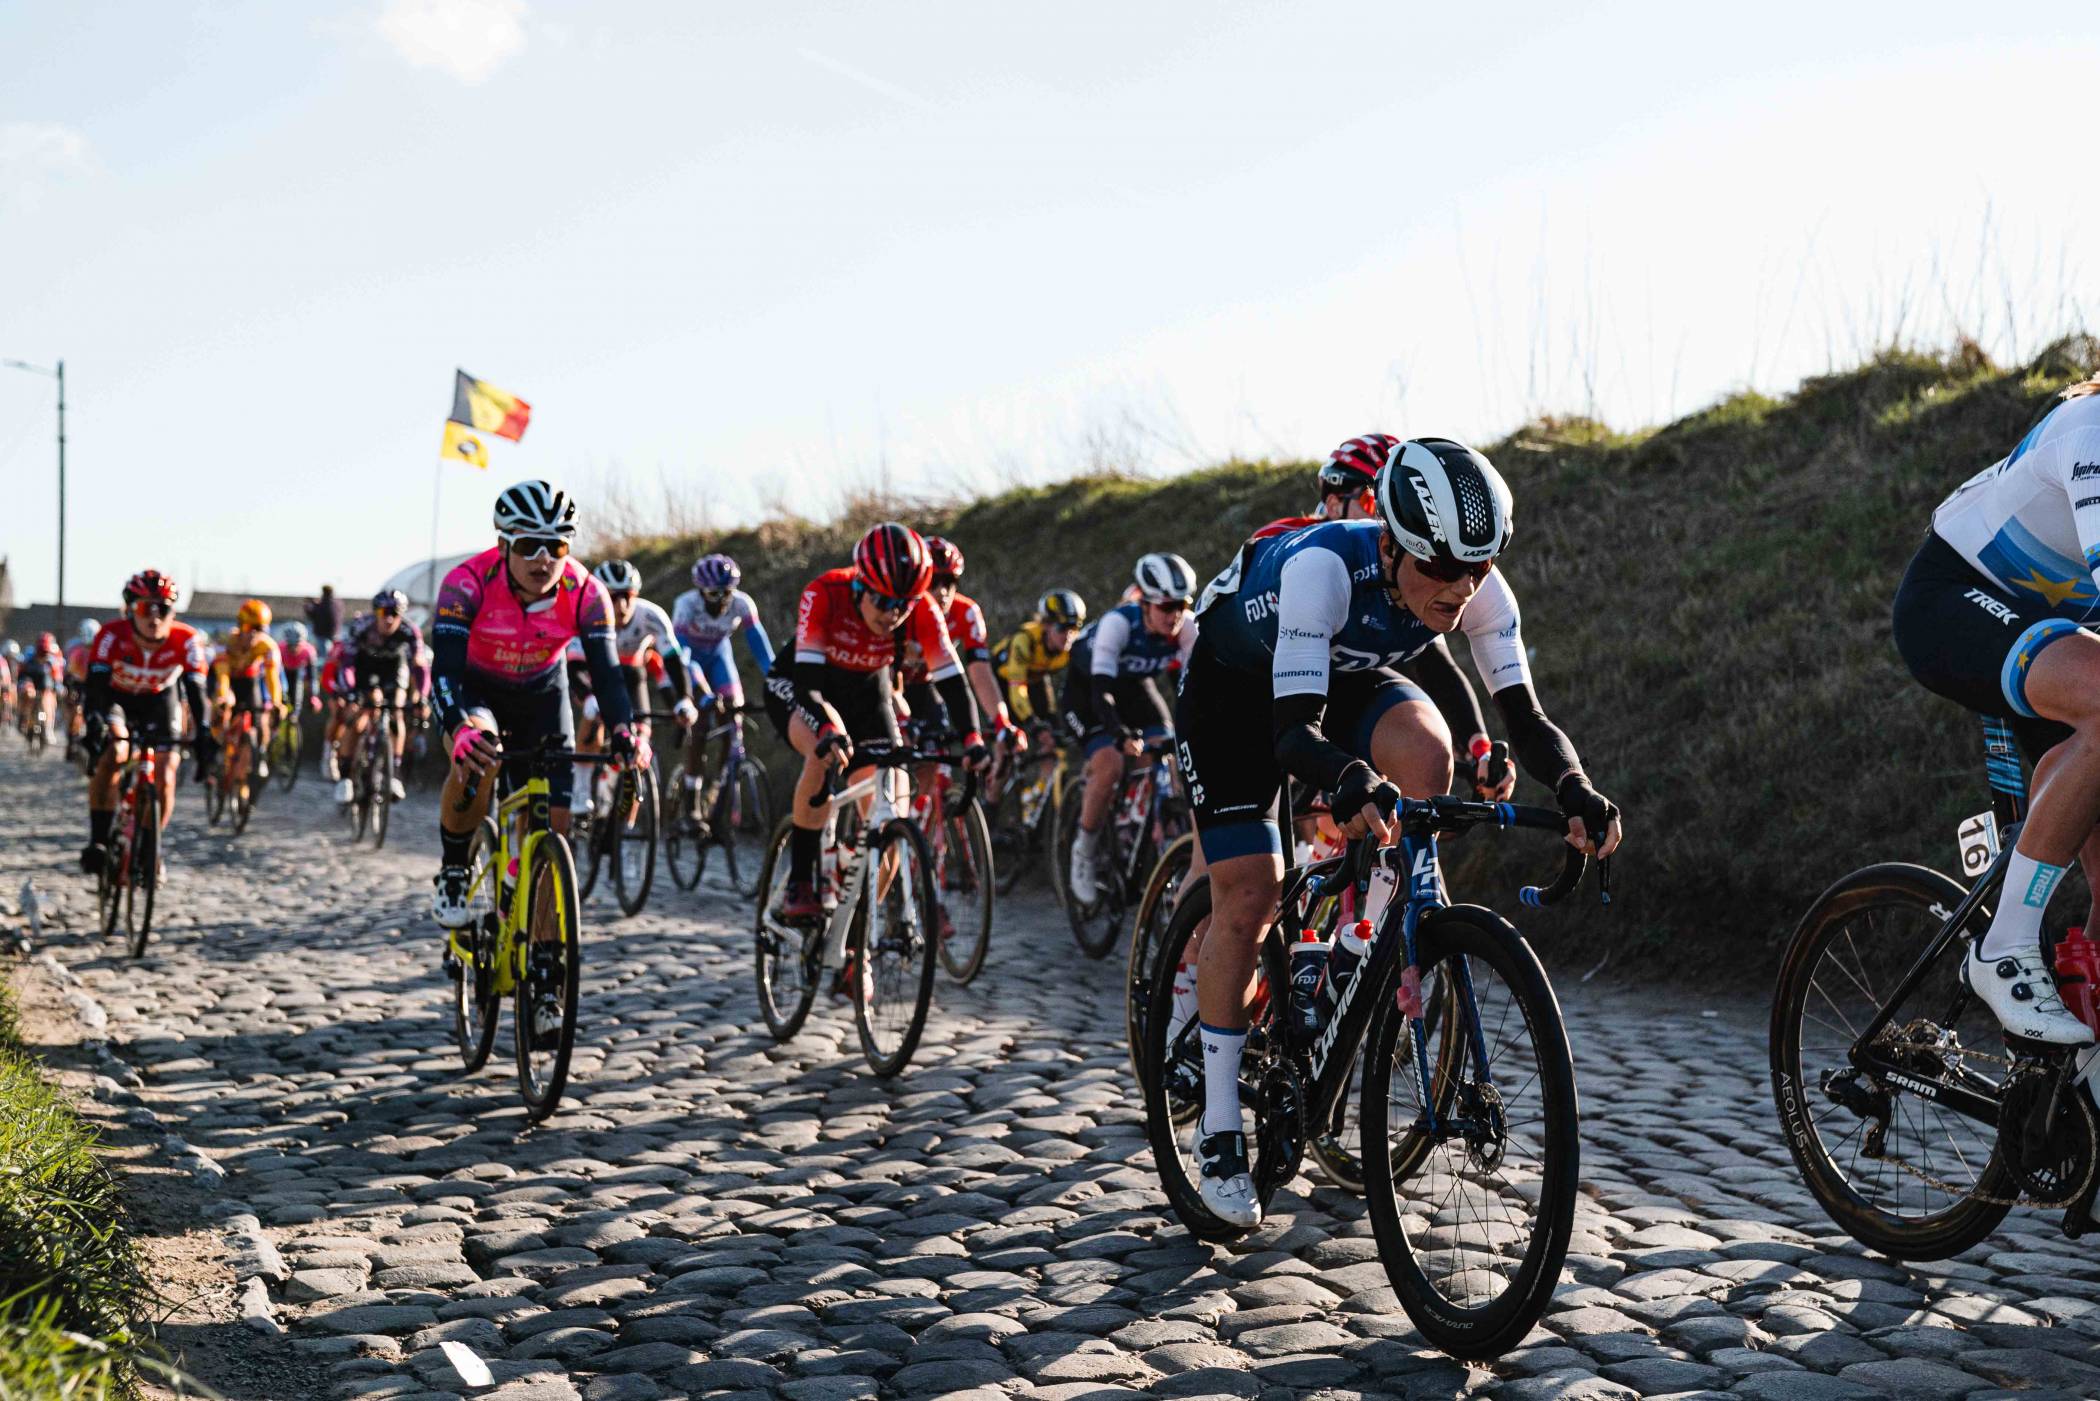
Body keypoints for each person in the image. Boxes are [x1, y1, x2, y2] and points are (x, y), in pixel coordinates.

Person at [1178, 437, 1621, 1225]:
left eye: (1477, 569)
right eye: (1443, 570)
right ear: (1393, 542)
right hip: (1235, 692)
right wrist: (1346, 777)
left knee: (1428, 755)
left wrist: (1578, 788)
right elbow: (1290, 735)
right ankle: (1217, 1130)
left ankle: (1364, 933)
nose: (1460, 590)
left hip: (1337, 673)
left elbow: (1525, 717)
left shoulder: (1476, 586)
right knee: (1250, 895)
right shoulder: (1322, 569)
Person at [1891, 377, 2100, 1043]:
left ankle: (2066, 1085)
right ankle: (2003, 946)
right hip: (1952, 600)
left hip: (2049, 635)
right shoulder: (2090, 432)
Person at [428, 482, 643, 1033]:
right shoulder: (466, 584)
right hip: (478, 691)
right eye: (528, 546)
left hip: (544, 696)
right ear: (503, 545)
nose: (543, 559)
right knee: (481, 751)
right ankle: (455, 866)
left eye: (557, 546)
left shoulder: (586, 591)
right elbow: (446, 673)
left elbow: (609, 675)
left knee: (556, 829)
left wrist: (625, 732)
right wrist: (457, 729)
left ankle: (547, 978)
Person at [1255, 434, 1513, 801]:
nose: (1387, 510)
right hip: (1270, 686)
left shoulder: (1408, 565)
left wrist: (1477, 748)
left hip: (1347, 692)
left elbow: (1434, 666)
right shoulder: (1287, 541)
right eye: (1371, 499)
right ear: (1333, 503)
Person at [763, 523, 986, 921]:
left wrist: (973, 738)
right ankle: (800, 879)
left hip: (868, 690)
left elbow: (953, 682)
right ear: (859, 587)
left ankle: (856, 941)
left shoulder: (921, 609)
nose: (893, 613)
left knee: (892, 814)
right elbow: (810, 691)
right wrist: (830, 731)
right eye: (882, 601)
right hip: (804, 684)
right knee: (824, 753)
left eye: (904, 604)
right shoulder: (825, 592)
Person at [1065, 554, 1199, 905]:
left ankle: (1143, 827)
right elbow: (1101, 692)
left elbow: (1194, 692)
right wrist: (1121, 735)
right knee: (1110, 761)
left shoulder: (1187, 628)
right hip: (1089, 692)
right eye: (1167, 606)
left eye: (1182, 605)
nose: (1175, 615)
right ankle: (1085, 849)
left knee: (1166, 749)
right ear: (1146, 604)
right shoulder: (1118, 623)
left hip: (1135, 688)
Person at [79, 571, 213, 873]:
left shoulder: (187, 639)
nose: (154, 617)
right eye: (145, 608)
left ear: (173, 612)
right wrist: (94, 721)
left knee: (166, 773)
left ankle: (151, 848)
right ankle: (99, 839)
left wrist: (204, 730)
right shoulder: (111, 635)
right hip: (117, 698)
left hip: (159, 701)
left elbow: (197, 692)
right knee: (115, 753)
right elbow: (96, 687)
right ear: (130, 610)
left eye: (162, 608)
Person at [574, 559, 702, 815]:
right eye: (613, 597)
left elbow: (673, 661)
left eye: (627, 597)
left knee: (641, 738)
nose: (621, 606)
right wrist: (587, 697)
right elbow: (574, 667)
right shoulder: (587, 614)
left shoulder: (652, 616)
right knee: (594, 719)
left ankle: (625, 813)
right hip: (596, 675)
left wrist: (684, 699)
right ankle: (581, 790)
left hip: (633, 674)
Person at [671, 554, 775, 824]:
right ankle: (692, 797)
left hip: (718, 656)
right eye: (714, 593)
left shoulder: (742, 604)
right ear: (700, 591)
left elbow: (760, 646)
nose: (721, 600)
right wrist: (701, 692)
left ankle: (718, 789)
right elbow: (681, 656)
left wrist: (776, 680)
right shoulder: (686, 605)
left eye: (727, 592)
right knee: (702, 722)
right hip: (692, 661)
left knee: (732, 715)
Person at [898, 538, 1018, 745]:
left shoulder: (966, 612)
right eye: (933, 582)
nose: (942, 591)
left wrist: (1001, 721)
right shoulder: (900, 610)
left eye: (949, 582)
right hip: (892, 687)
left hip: (926, 686)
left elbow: (980, 673)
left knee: (937, 759)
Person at [331, 590, 423, 804]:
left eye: (395, 612)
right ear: (376, 613)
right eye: (384, 612)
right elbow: (347, 665)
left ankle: (394, 773)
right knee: (358, 719)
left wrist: (422, 697)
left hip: (394, 668)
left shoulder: (410, 631)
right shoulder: (361, 627)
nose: (389, 618)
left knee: (397, 714)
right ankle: (345, 778)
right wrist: (351, 692)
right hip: (365, 667)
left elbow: (419, 666)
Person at [210, 600, 285, 782]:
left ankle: (259, 754)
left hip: (249, 679)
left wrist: (276, 702)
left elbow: (272, 678)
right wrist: (223, 699)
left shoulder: (268, 646)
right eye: (247, 627)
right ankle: (213, 754)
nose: (252, 633)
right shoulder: (226, 642)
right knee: (222, 708)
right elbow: (223, 677)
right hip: (226, 676)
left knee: (260, 720)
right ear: (239, 626)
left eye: (258, 628)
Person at [994, 588, 1087, 733]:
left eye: (1074, 627)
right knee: (1010, 732)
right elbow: (1017, 687)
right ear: (1046, 625)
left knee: (1053, 729)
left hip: (1035, 678)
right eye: (1062, 628)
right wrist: (1031, 721)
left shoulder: (1074, 645)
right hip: (1002, 681)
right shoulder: (1025, 640)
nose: (1069, 635)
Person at [305, 584, 343, 656]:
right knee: (335, 655)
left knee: (324, 656)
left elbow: (313, 615)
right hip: (335, 633)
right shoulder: (337, 603)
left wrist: (309, 605)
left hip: (322, 634)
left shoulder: (322, 604)